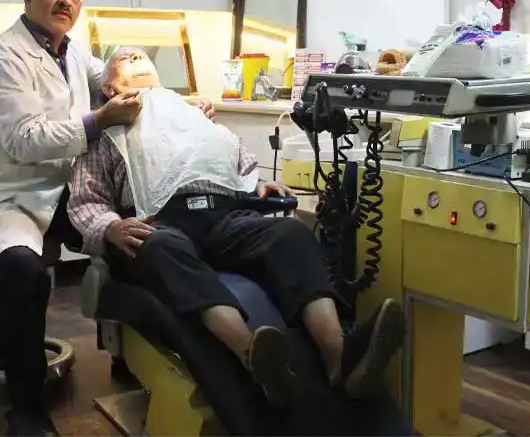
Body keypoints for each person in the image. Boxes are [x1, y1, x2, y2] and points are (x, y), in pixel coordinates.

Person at [0, 0, 214, 437]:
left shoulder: (71, 52)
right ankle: (27, 410)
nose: (64, 0)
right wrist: (102, 118)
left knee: (137, 230)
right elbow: (25, 139)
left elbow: (112, 80)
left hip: (62, 190)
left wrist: (177, 104)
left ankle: (132, 351)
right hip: (7, 195)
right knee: (22, 270)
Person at [67, 46, 406, 411]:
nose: (135, 58)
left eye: (140, 56)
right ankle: (254, 358)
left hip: (225, 215)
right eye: (124, 59)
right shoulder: (105, 133)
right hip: (161, 223)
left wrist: (256, 187)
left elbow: (235, 165)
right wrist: (111, 227)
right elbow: (86, 201)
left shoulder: (194, 117)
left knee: (289, 235)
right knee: (161, 247)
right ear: (110, 89)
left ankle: (339, 357)